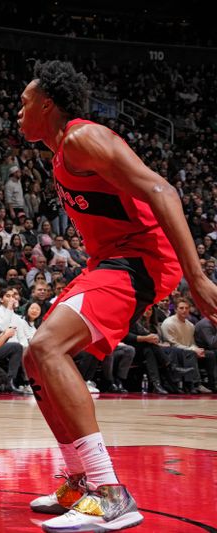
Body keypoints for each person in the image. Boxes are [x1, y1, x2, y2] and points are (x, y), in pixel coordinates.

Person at [18, 61, 217, 532]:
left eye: (25, 103)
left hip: (141, 261)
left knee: (48, 346)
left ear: (48, 104)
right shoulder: (60, 155)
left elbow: (160, 188)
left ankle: (110, 493)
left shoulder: (83, 138)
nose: (18, 111)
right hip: (110, 262)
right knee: (33, 358)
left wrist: (196, 276)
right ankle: (80, 480)